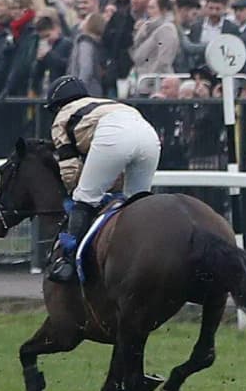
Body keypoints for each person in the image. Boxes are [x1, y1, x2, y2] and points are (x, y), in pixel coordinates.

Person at [43, 75, 161, 282]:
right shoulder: (106, 103)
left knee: (84, 197)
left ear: (56, 105)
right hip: (148, 135)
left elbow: (70, 170)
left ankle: (68, 263)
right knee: (138, 204)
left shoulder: (62, 118)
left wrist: (74, 192)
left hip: (114, 134)